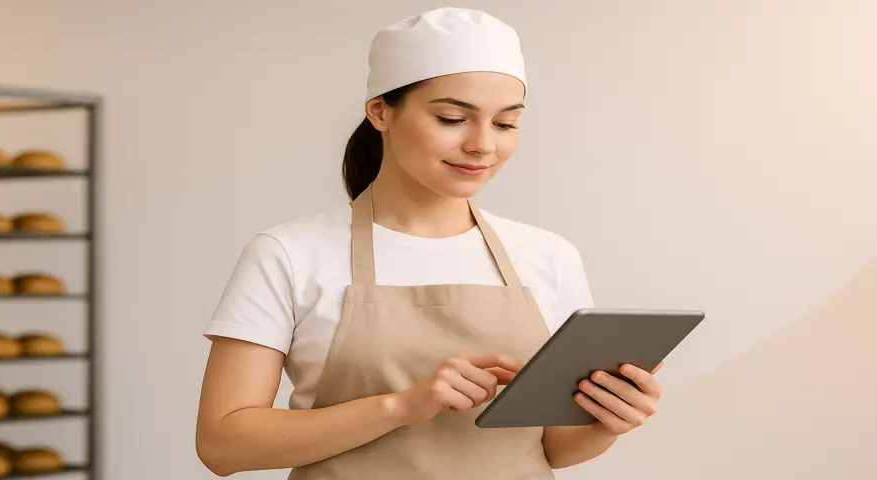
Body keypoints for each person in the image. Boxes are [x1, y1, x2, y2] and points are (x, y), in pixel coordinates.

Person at [195, 7, 664, 479]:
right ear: (380, 111)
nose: (483, 145)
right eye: (452, 117)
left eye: (505, 124)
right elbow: (223, 445)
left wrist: (608, 421)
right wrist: (401, 406)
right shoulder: (289, 254)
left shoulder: (548, 257)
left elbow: (553, 449)